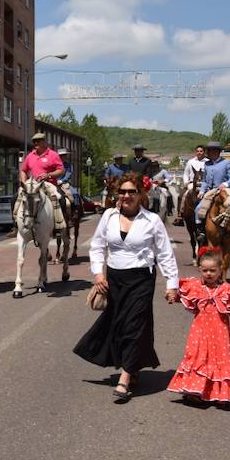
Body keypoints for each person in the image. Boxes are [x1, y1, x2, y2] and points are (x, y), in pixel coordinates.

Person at [73, 172, 180, 403]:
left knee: (134, 325)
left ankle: (124, 377)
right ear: (116, 194)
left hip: (141, 279)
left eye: (131, 192)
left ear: (141, 194)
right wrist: (98, 273)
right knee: (119, 325)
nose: (126, 196)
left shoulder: (152, 220)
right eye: (122, 192)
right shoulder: (109, 216)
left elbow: (165, 254)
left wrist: (172, 284)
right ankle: (134, 366)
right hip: (114, 279)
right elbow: (97, 246)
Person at [166, 247, 230, 405]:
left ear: (220, 270)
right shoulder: (195, 286)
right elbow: (184, 297)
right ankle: (194, 390)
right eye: (205, 270)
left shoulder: (226, 289)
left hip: (220, 332)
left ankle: (220, 392)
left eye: (212, 270)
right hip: (199, 330)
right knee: (197, 356)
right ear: (200, 270)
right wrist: (173, 297)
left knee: (220, 358)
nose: (209, 274)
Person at [20, 132, 67, 229]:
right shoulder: (30, 156)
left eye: (38, 141)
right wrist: (24, 183)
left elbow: (61, 170)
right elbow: (23, 170)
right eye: (34, 142)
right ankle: (16, 225)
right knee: (16, 198)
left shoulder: (53, 155)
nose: (36, 144)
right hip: (32, 185)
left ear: (44, 142)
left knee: (61, 199)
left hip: (49, 184)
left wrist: (48, 175)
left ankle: (60, 225)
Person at [173, 144, 208, 225]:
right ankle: (180, 215)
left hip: (204, 183)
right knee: (181, 196)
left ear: (204, 152)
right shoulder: (190, 161)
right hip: (192, 183)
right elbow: (186, 174)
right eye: (198, 151)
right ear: (196, 152)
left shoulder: (207, 162)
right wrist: (186, 182)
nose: (199, 153)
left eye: (201, 151)